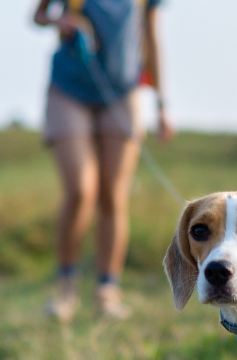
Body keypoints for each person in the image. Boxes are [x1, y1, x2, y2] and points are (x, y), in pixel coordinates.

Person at [34, 0, 173, 320]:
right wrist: (61, 21)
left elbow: (152, 36)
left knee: (113, 194)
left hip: (122, 93)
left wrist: (162, 104)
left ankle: (107, 291)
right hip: (68, 91)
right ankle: (65, 289)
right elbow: (38, 15)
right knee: (81, 190)